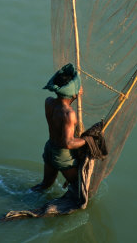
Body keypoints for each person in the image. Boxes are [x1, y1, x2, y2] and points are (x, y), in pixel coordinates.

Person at [31, 63, 86, 192]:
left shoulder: (49, 102)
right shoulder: (69, 114)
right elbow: (68, 143)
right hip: (62, 156)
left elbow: (63, 105)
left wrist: (74, 95)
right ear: (72, 92)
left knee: (44, 185)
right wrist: (88, 140)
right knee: (79, 189)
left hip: (50, 149)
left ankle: (24, 195)